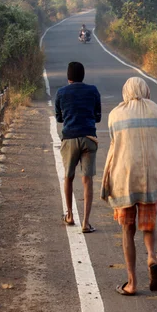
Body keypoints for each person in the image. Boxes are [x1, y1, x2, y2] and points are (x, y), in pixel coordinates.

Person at [101, 77, 157, 295]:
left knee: (127, 229)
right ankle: (152, 257)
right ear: (146, 90)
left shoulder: (115, 115)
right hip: (149, 177)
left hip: (124, 179)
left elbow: (114, 144)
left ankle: (132, 283)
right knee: (148, 225)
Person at [55, 62, 101, 233]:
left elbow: (59, 118)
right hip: (89, 138)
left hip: (69, 138)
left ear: (68, 77)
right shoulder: (93, 91)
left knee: (68, 177)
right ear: (83, 75)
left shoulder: (61, 93)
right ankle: (86, 223)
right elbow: (98, 116)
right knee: (87, 180)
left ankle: (69, 215)